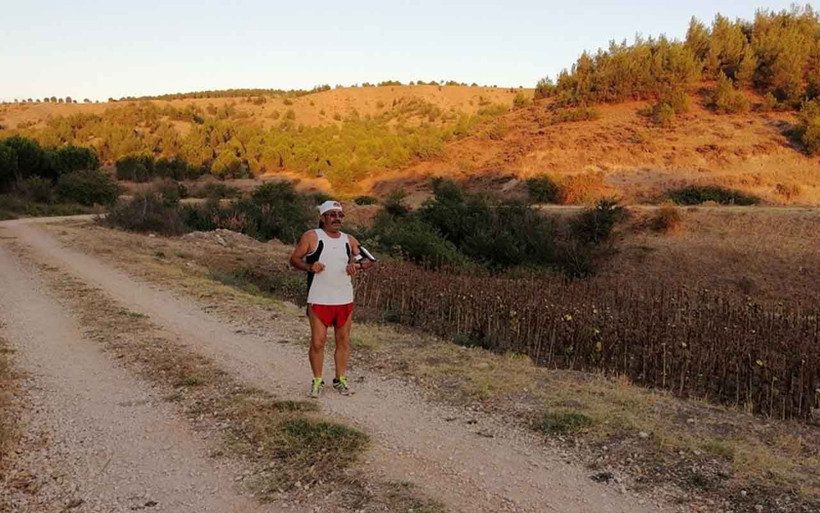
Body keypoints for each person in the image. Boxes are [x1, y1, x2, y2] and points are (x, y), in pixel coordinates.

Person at [289, 200, 375, 398]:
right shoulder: (312, 236)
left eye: (340, 215)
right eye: (332, 214)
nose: (337, 219)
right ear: (323, 217)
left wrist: (358, 267)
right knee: (318, 342)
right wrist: (310, 267)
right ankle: (317, 380)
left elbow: (370, 260)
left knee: (343, 340)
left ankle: (340, 379)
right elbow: (294, 259)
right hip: (319, 297)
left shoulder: (349, 239)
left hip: (344, 297)